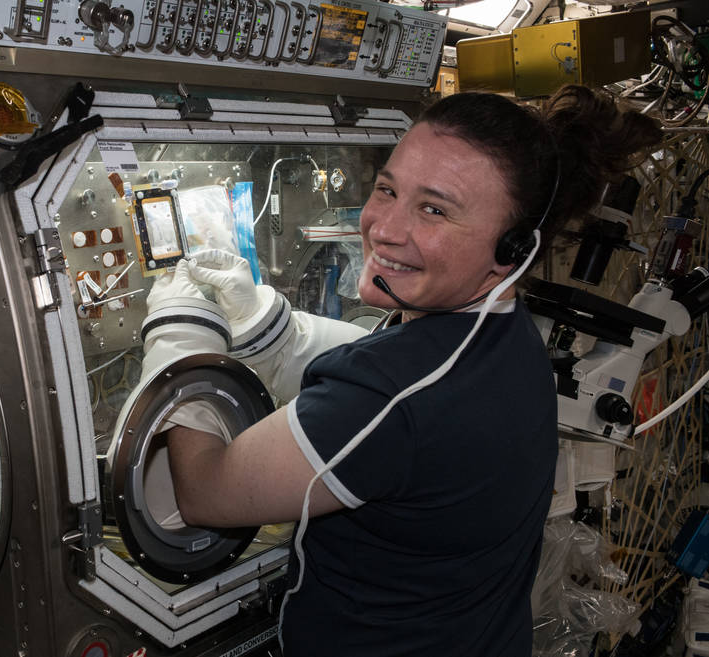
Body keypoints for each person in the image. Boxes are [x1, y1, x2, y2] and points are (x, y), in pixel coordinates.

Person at [145, 85, 662, 656]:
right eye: (388, 189)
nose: (384, 228)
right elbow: (387, 386)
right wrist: (268, 327)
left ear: (512, 249)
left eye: (434, 209)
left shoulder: (393, 398)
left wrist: (179, 330)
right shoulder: (507, 337)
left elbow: (202, 491)